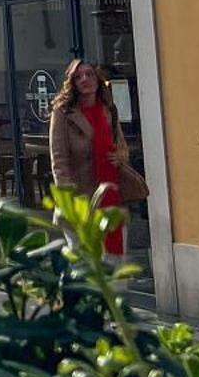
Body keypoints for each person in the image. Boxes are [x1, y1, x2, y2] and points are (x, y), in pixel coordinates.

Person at [48, 59, 143, 254]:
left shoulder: (107, 110)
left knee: (114, 263)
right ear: (72, 84)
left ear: (98, 80)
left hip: (111, 195)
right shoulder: (63, 114)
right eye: (78, 77)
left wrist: (120, 157)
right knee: (85, 263)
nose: (85, 80)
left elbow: (122, 147)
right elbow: (59, 161)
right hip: (81, 199)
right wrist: (68, 200)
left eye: (89, 74)